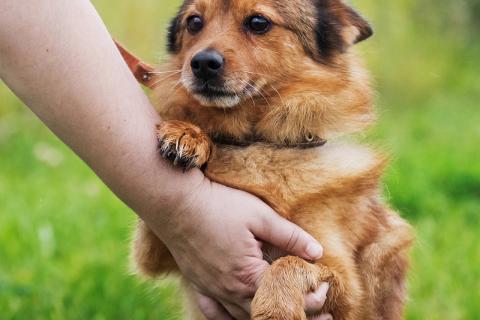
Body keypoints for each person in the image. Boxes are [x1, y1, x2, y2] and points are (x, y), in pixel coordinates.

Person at [0, 1, 330, 319]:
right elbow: (151, 258)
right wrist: (181, 199)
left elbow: (341, 285)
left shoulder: (332, 171)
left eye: (257, 24)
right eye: (195, 23)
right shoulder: (180, 143)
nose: (207, 53)